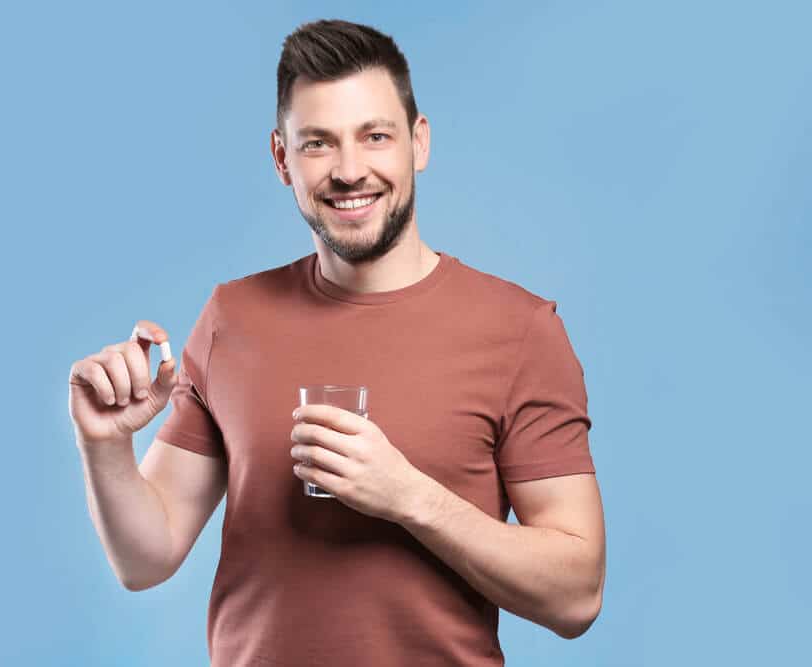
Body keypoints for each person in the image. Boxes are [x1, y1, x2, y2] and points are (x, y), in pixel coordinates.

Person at [69, 18, 606, 666]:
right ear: (282, 159)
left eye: (375, 136)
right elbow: (145, 558)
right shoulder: (231, 318)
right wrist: (105, 445)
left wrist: (410, 498)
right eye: (319, 143)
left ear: (418, 142)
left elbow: (576, 595)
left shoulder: (519, 330)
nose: (350, 171)